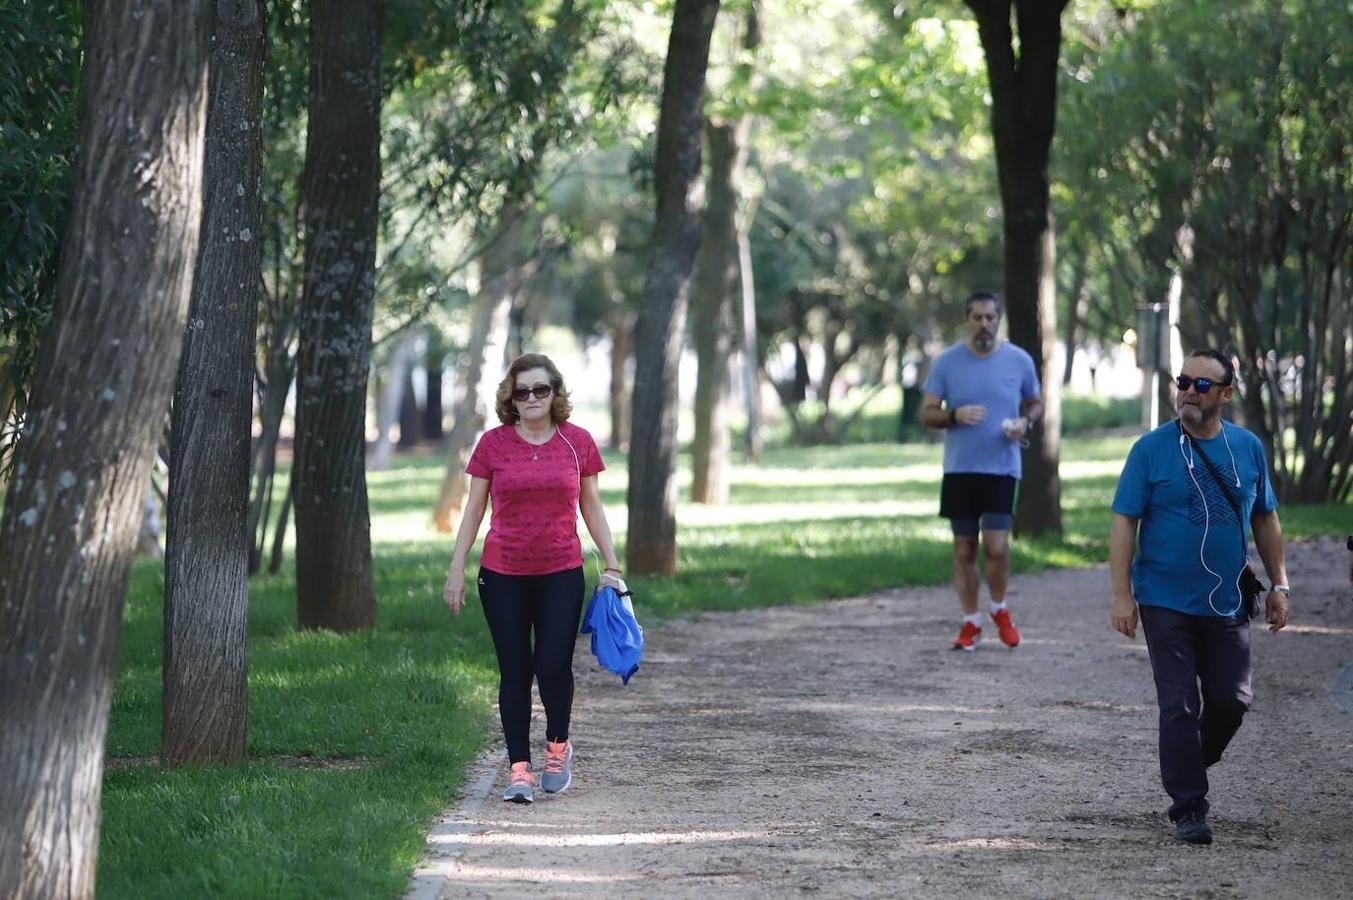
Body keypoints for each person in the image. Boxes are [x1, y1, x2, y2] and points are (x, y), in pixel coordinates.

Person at [1109, 348, 1290, 845]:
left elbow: (1266, 518)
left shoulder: (1248, 448)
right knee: (1179, 703)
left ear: (1226, 394)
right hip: (1164, 599)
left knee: (1233, 701)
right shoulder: (1150, 450)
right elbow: (1125, 520)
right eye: (1183, 380)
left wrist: (1280, 584)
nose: (1189, 389)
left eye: (1202, 384)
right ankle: (1189, 805)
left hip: (1227, 599)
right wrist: (1122, 594)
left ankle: (1185, 758)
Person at [443, 353, 624, 804]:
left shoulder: (576, 442)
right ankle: (519, 769)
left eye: (540, 390)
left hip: (561, 571)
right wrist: (456, 569)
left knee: (553, 666)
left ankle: (558, 747)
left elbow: (592, 507)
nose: (531, 399)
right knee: (515, 671)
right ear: (511, 397)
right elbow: (473, 510)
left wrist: (613, 564)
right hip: (502, 574)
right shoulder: (494, 444)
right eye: (522, 391)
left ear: (555, 393)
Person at [921, 291, 1043, 650]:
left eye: (990, 317)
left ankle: (999, 608)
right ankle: (970, 621)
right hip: (960, 469)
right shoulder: (946, 362)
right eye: (977, 317)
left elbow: (1035, 403)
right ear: (966, 320)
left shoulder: (1018, 360)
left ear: (998, 320)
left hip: (1002, 468)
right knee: (963, 549)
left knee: (996, 547)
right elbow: (928, 412)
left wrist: (1024, 421)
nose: (984, 324)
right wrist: (952, 416)